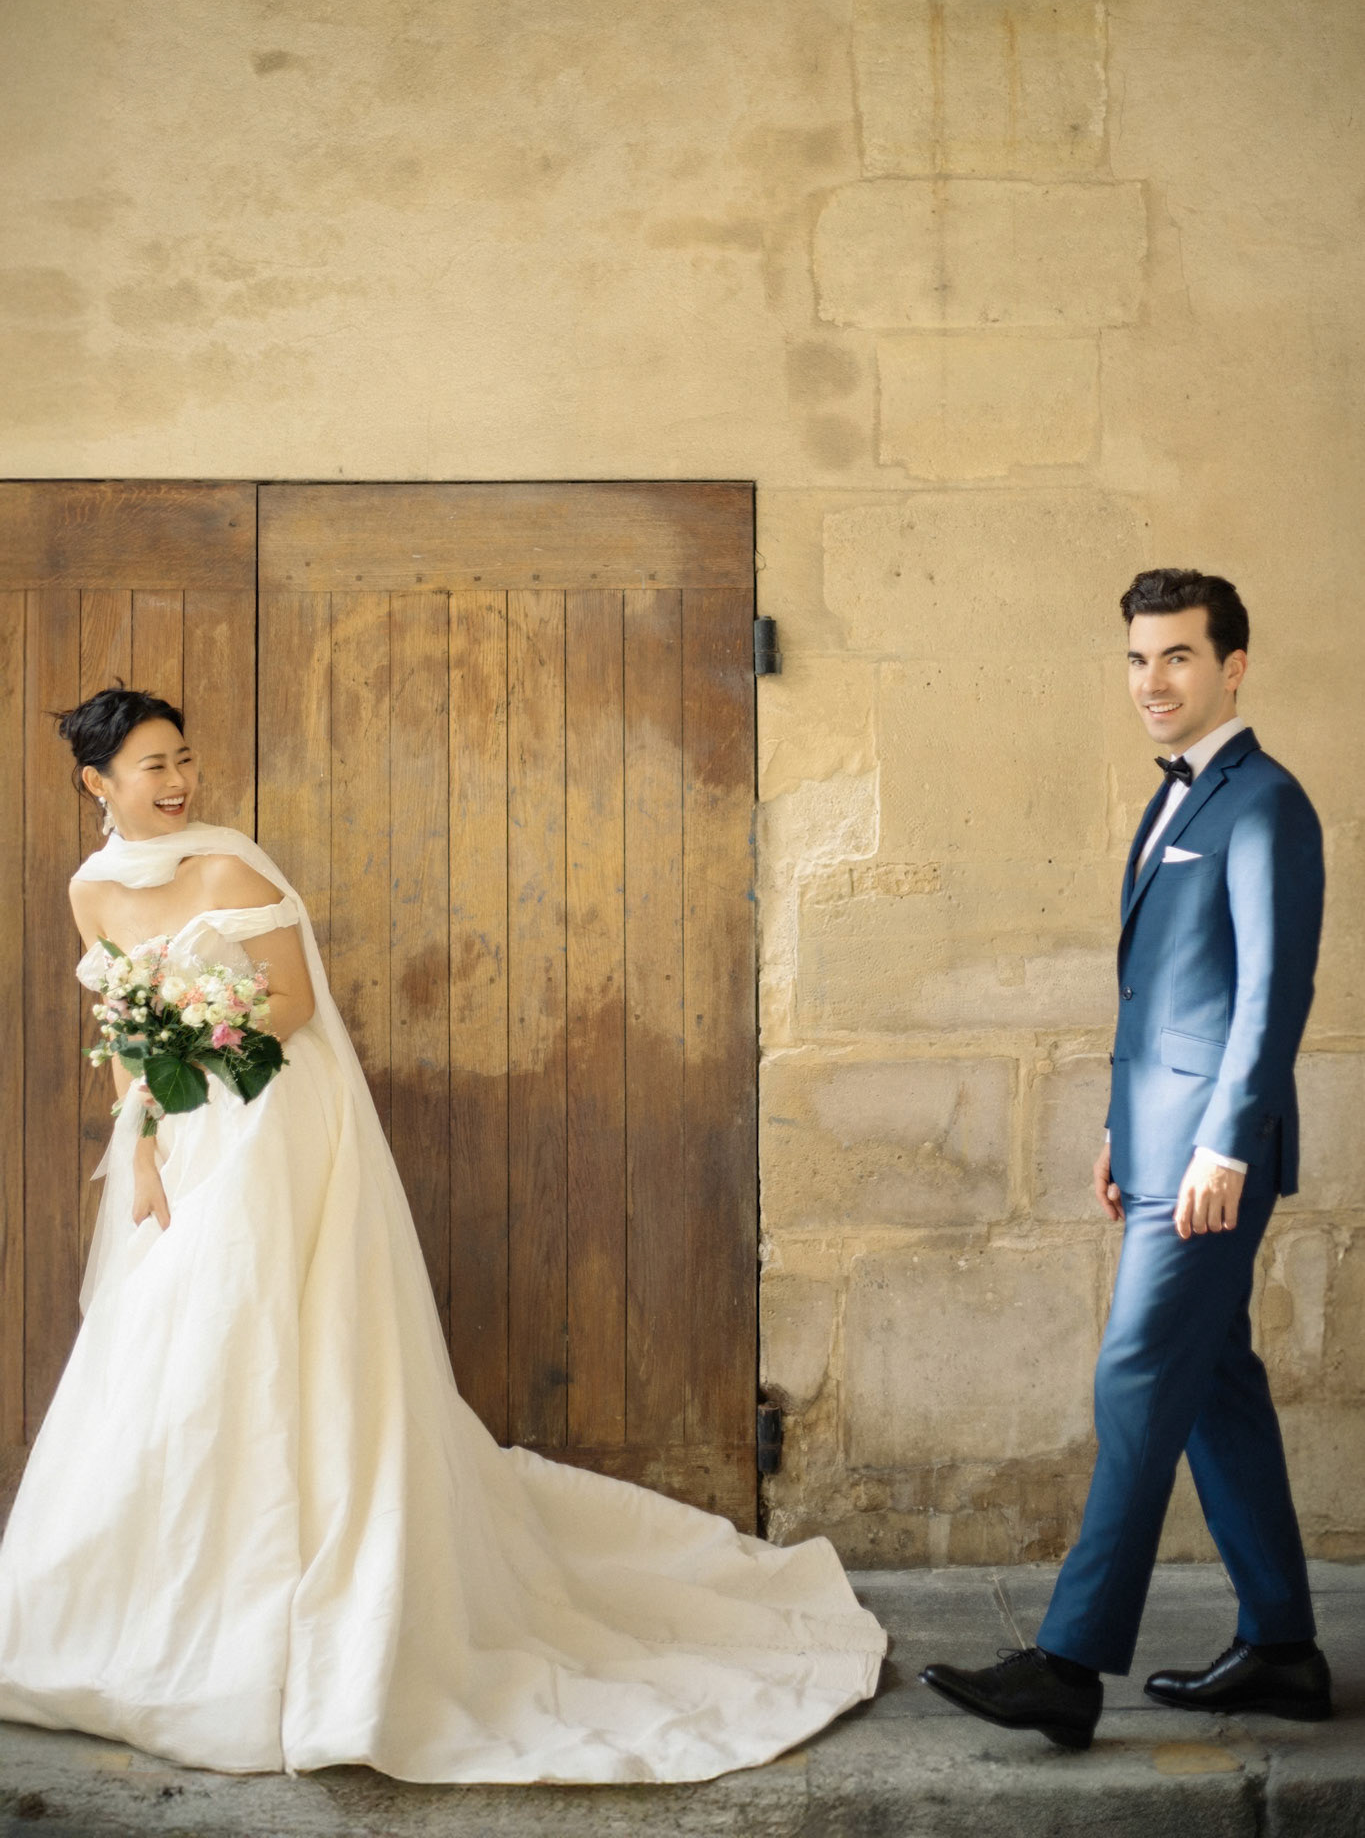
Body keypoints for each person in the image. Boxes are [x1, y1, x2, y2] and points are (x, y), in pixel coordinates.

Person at [0, 684, 887, 1782]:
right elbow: (119, 1023)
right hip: (181, 1130)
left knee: (271, 1326)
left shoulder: (231, 868)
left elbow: (292, 1005)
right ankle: (162, 1606)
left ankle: (310, 1594)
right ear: (98, 783)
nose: (179, 781)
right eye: (153, 766)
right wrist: (135, 1141)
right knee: (171, 1349)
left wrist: (195, 1024)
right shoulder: (90, 889)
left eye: (184, 757)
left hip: (271, 1117)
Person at [921, 568, 1331, 1750]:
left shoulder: (1266, 803)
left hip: (1211, 1156)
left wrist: (1222, 1143)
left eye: (1179, 656)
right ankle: (1284, 1649)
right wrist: (1118, 1125)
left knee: (1136, 1372)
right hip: (1157, 1141)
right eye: (1139, 659)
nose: (1154, 680)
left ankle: (1067, 1662)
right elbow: (1160, 996)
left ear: (1233, 666)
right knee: (1213, 1385)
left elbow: (1270, 995)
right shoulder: (1172, 798)